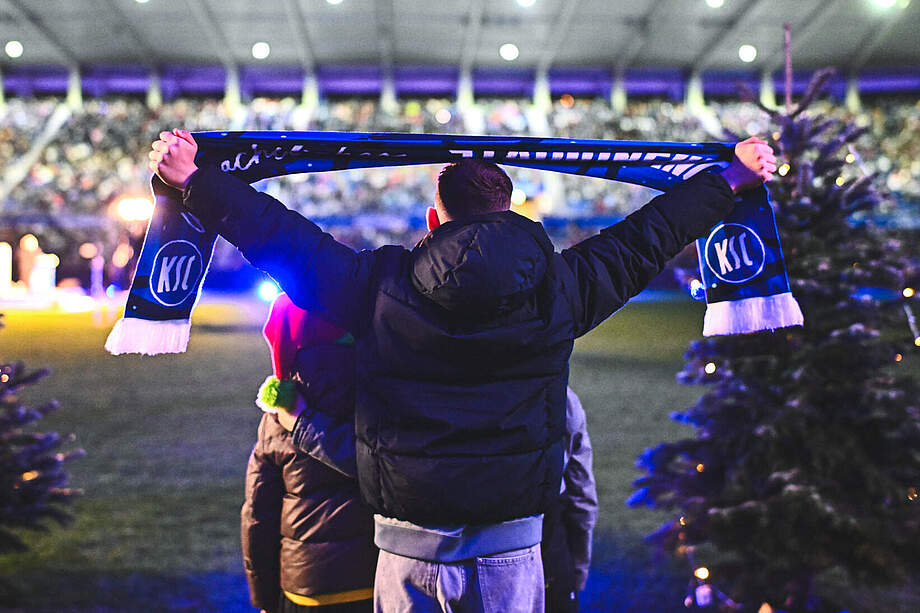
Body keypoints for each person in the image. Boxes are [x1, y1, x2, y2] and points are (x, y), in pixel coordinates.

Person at [150, 129, 775, 612]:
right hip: (513, 549)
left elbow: (284, 238)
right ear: (511, 212)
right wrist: (732, 179)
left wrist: (195, 181)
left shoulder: (379, 284)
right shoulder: (562, 286)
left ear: (432, 219)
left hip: (406, 547)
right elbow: (650, 235)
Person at [242, 293, 376, 613]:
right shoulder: (379, 396)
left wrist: (263, 598)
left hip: (305, 587)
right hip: (376, 575)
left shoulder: (278, 418)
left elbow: (259, 517)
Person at [542, 387, 597, 612]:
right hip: (543, 548)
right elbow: (581, 492)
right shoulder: (558, 394)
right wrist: (578, 568)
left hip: (438, 551)